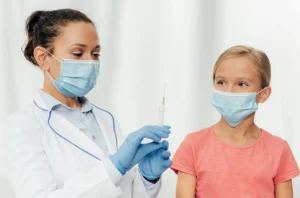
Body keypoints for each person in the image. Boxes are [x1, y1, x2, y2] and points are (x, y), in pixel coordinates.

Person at [6, 9, 172, 198]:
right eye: (78, 53)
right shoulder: (24, 124)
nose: (90, 62)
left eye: (95, 54)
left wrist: (147, 179)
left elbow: (126, 193)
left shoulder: (105, 119)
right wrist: (114, 166)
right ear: (43, 58)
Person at [171, 45, 300, 198]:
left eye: (241, 84)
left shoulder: (279, 150)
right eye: (221, 82)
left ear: (263, 94)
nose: (229, 91)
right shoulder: (193, 145)